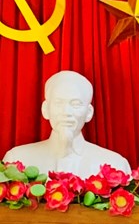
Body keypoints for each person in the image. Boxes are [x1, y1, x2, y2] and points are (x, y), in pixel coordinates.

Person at [2, 70, 131, 178]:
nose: (66, 112)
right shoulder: (17, 160)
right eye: (58, 103)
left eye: (76, 104)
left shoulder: (115, 165)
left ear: (89, 112)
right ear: (45, 109)